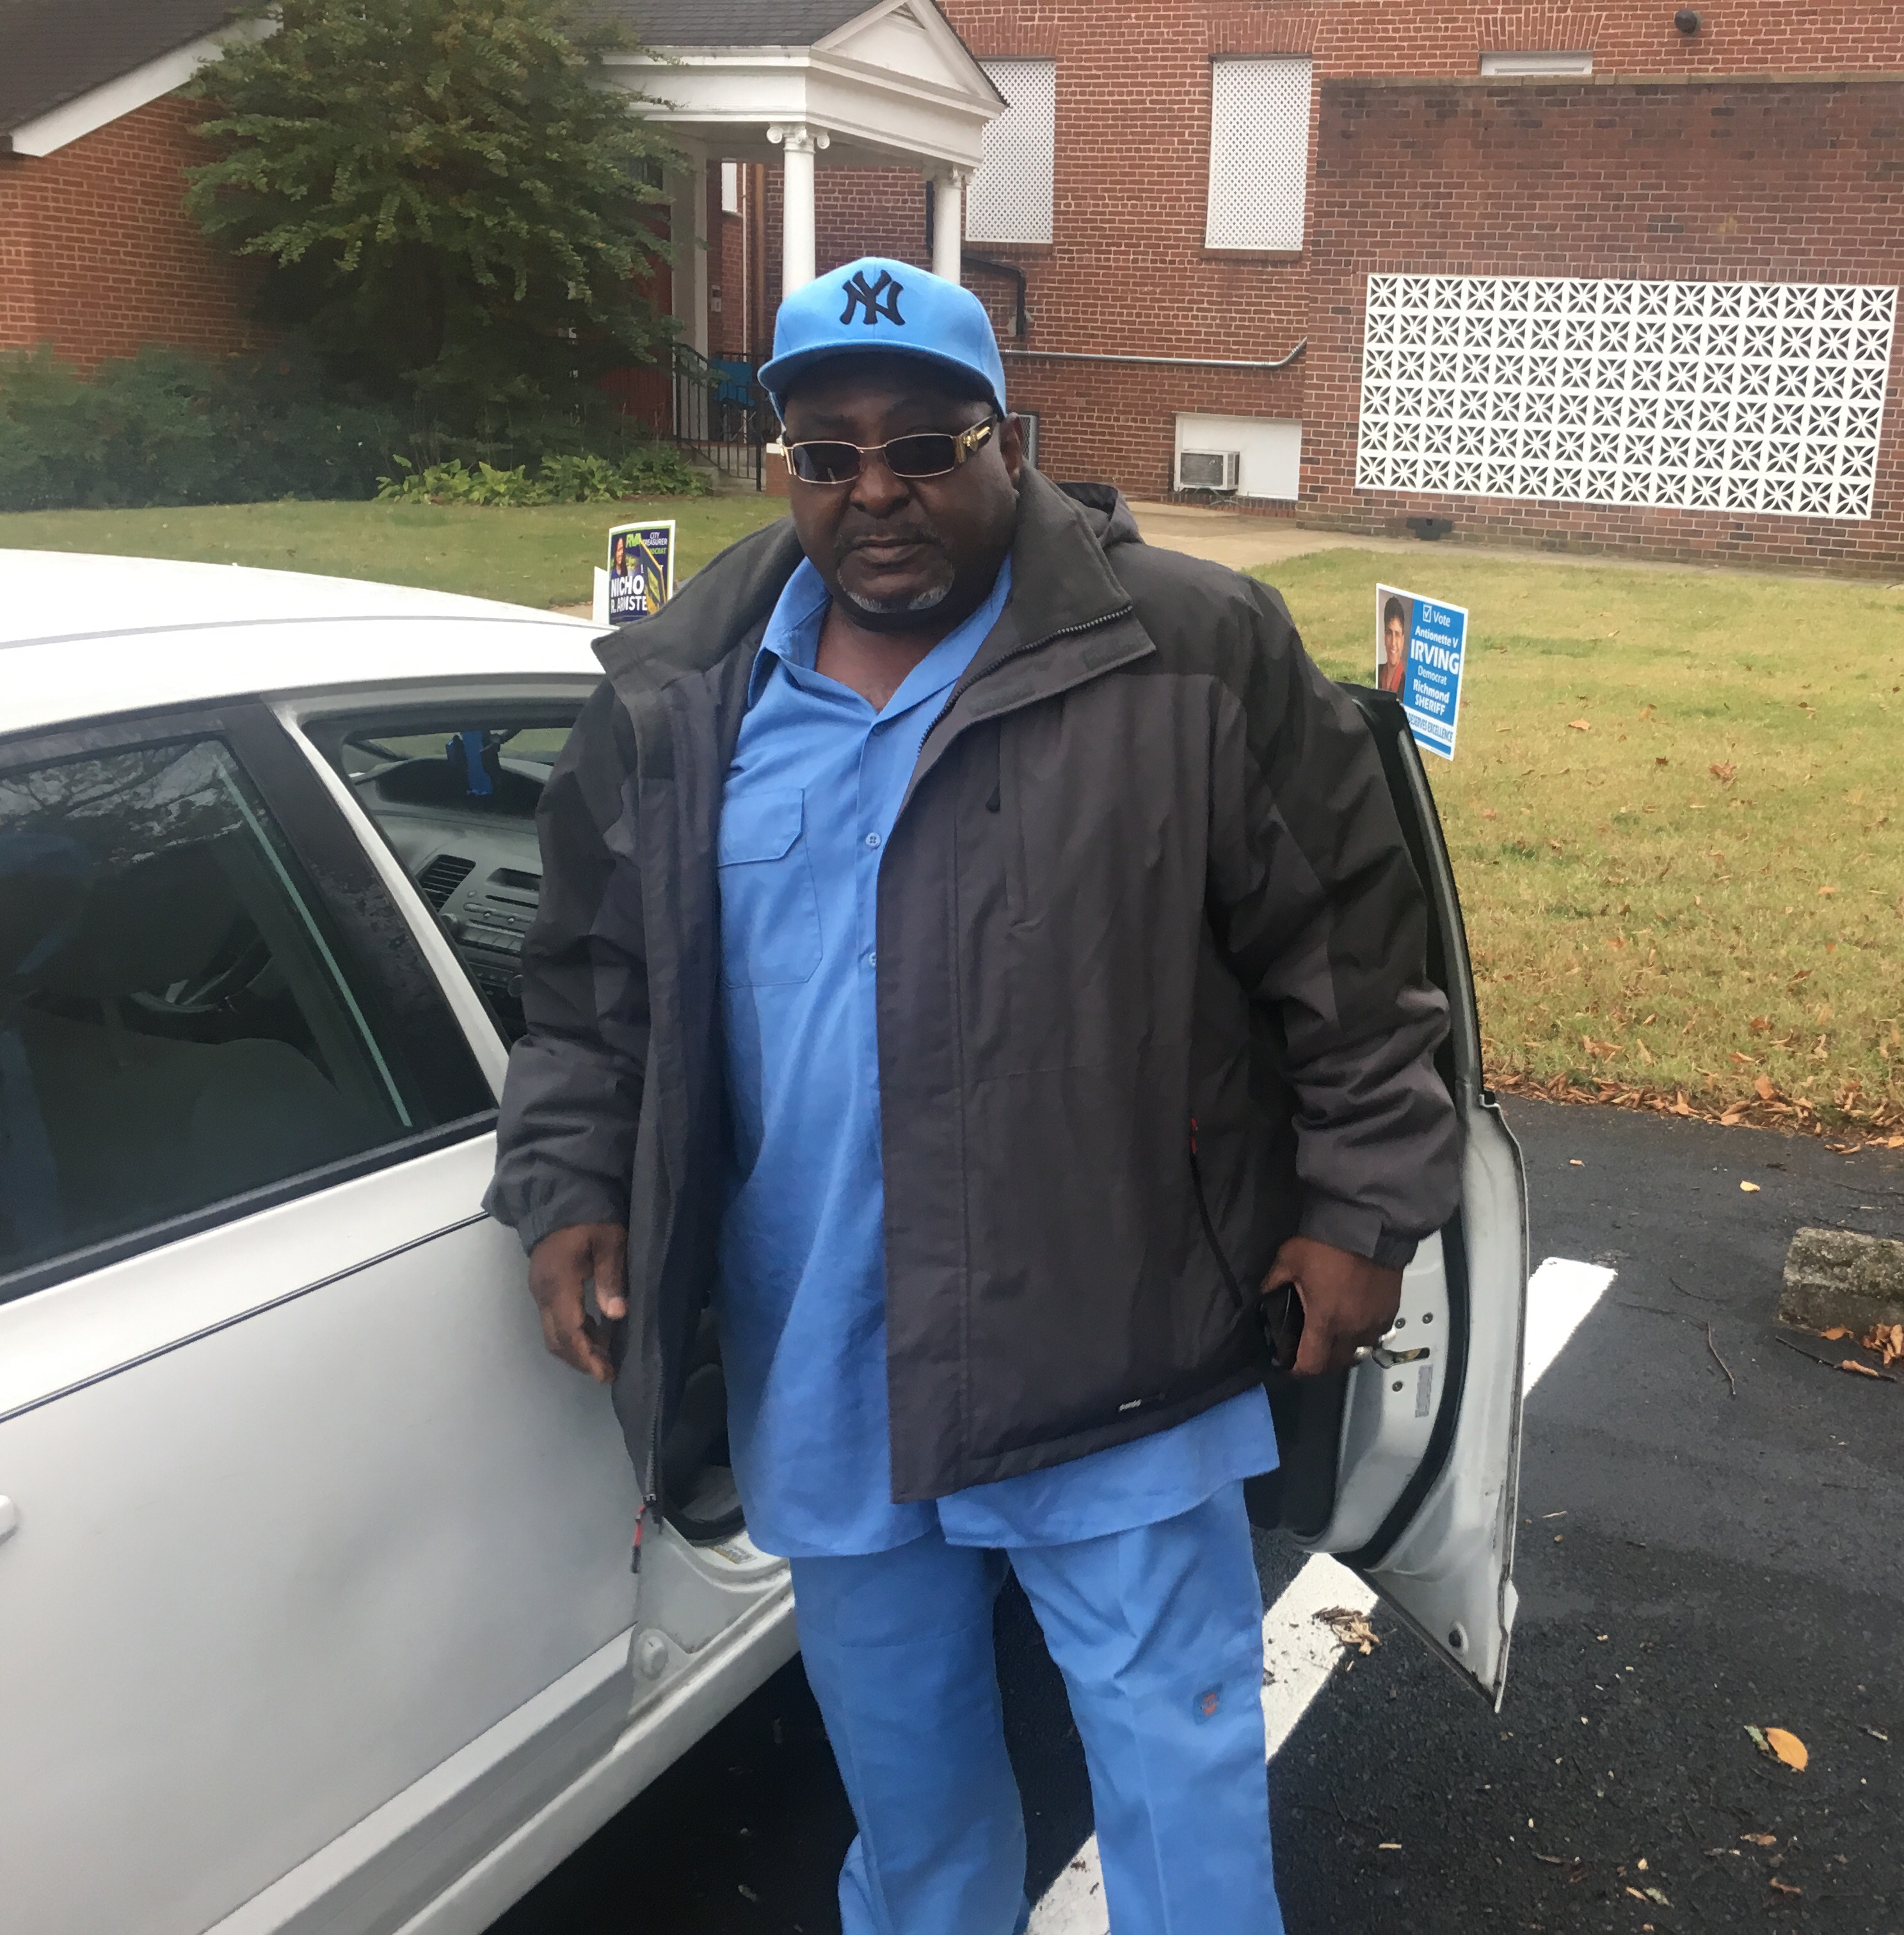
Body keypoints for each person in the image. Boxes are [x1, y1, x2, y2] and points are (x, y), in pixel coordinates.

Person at [485, 257, 1461, 1935]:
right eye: (828, 452)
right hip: (826, 1354)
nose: (880, 492)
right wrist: (572, 1169)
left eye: (929, 446)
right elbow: (591, 978)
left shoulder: (1189, 652)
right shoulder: (682, 691)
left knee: (1182, 1782)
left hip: (1118, 1341)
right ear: (781, 459)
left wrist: (1365, 1214)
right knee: (911, 1794)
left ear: (1009, 439)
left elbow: (1356, 970)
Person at [1379, 594, 1411, 694]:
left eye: (1397, 635)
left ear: (1403, 640)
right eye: (1389, 633)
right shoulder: (1378, 673)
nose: (1393, 643)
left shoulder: (1408, 685)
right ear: (1385, 636)